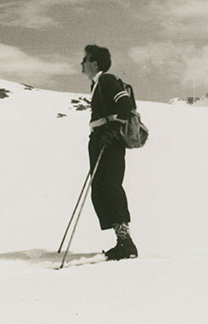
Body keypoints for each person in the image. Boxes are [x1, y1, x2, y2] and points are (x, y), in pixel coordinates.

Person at [81, 44, 138, 260]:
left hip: (108, 140)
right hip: (101, 138)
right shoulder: (98, 84)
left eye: (84, 60)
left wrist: (112, 131)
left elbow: (125, 104)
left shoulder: (107, 80)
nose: (82, 64)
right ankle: (122, 240)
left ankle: (126, 242)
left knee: (110, 186)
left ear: (95, 63)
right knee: (102, 188)